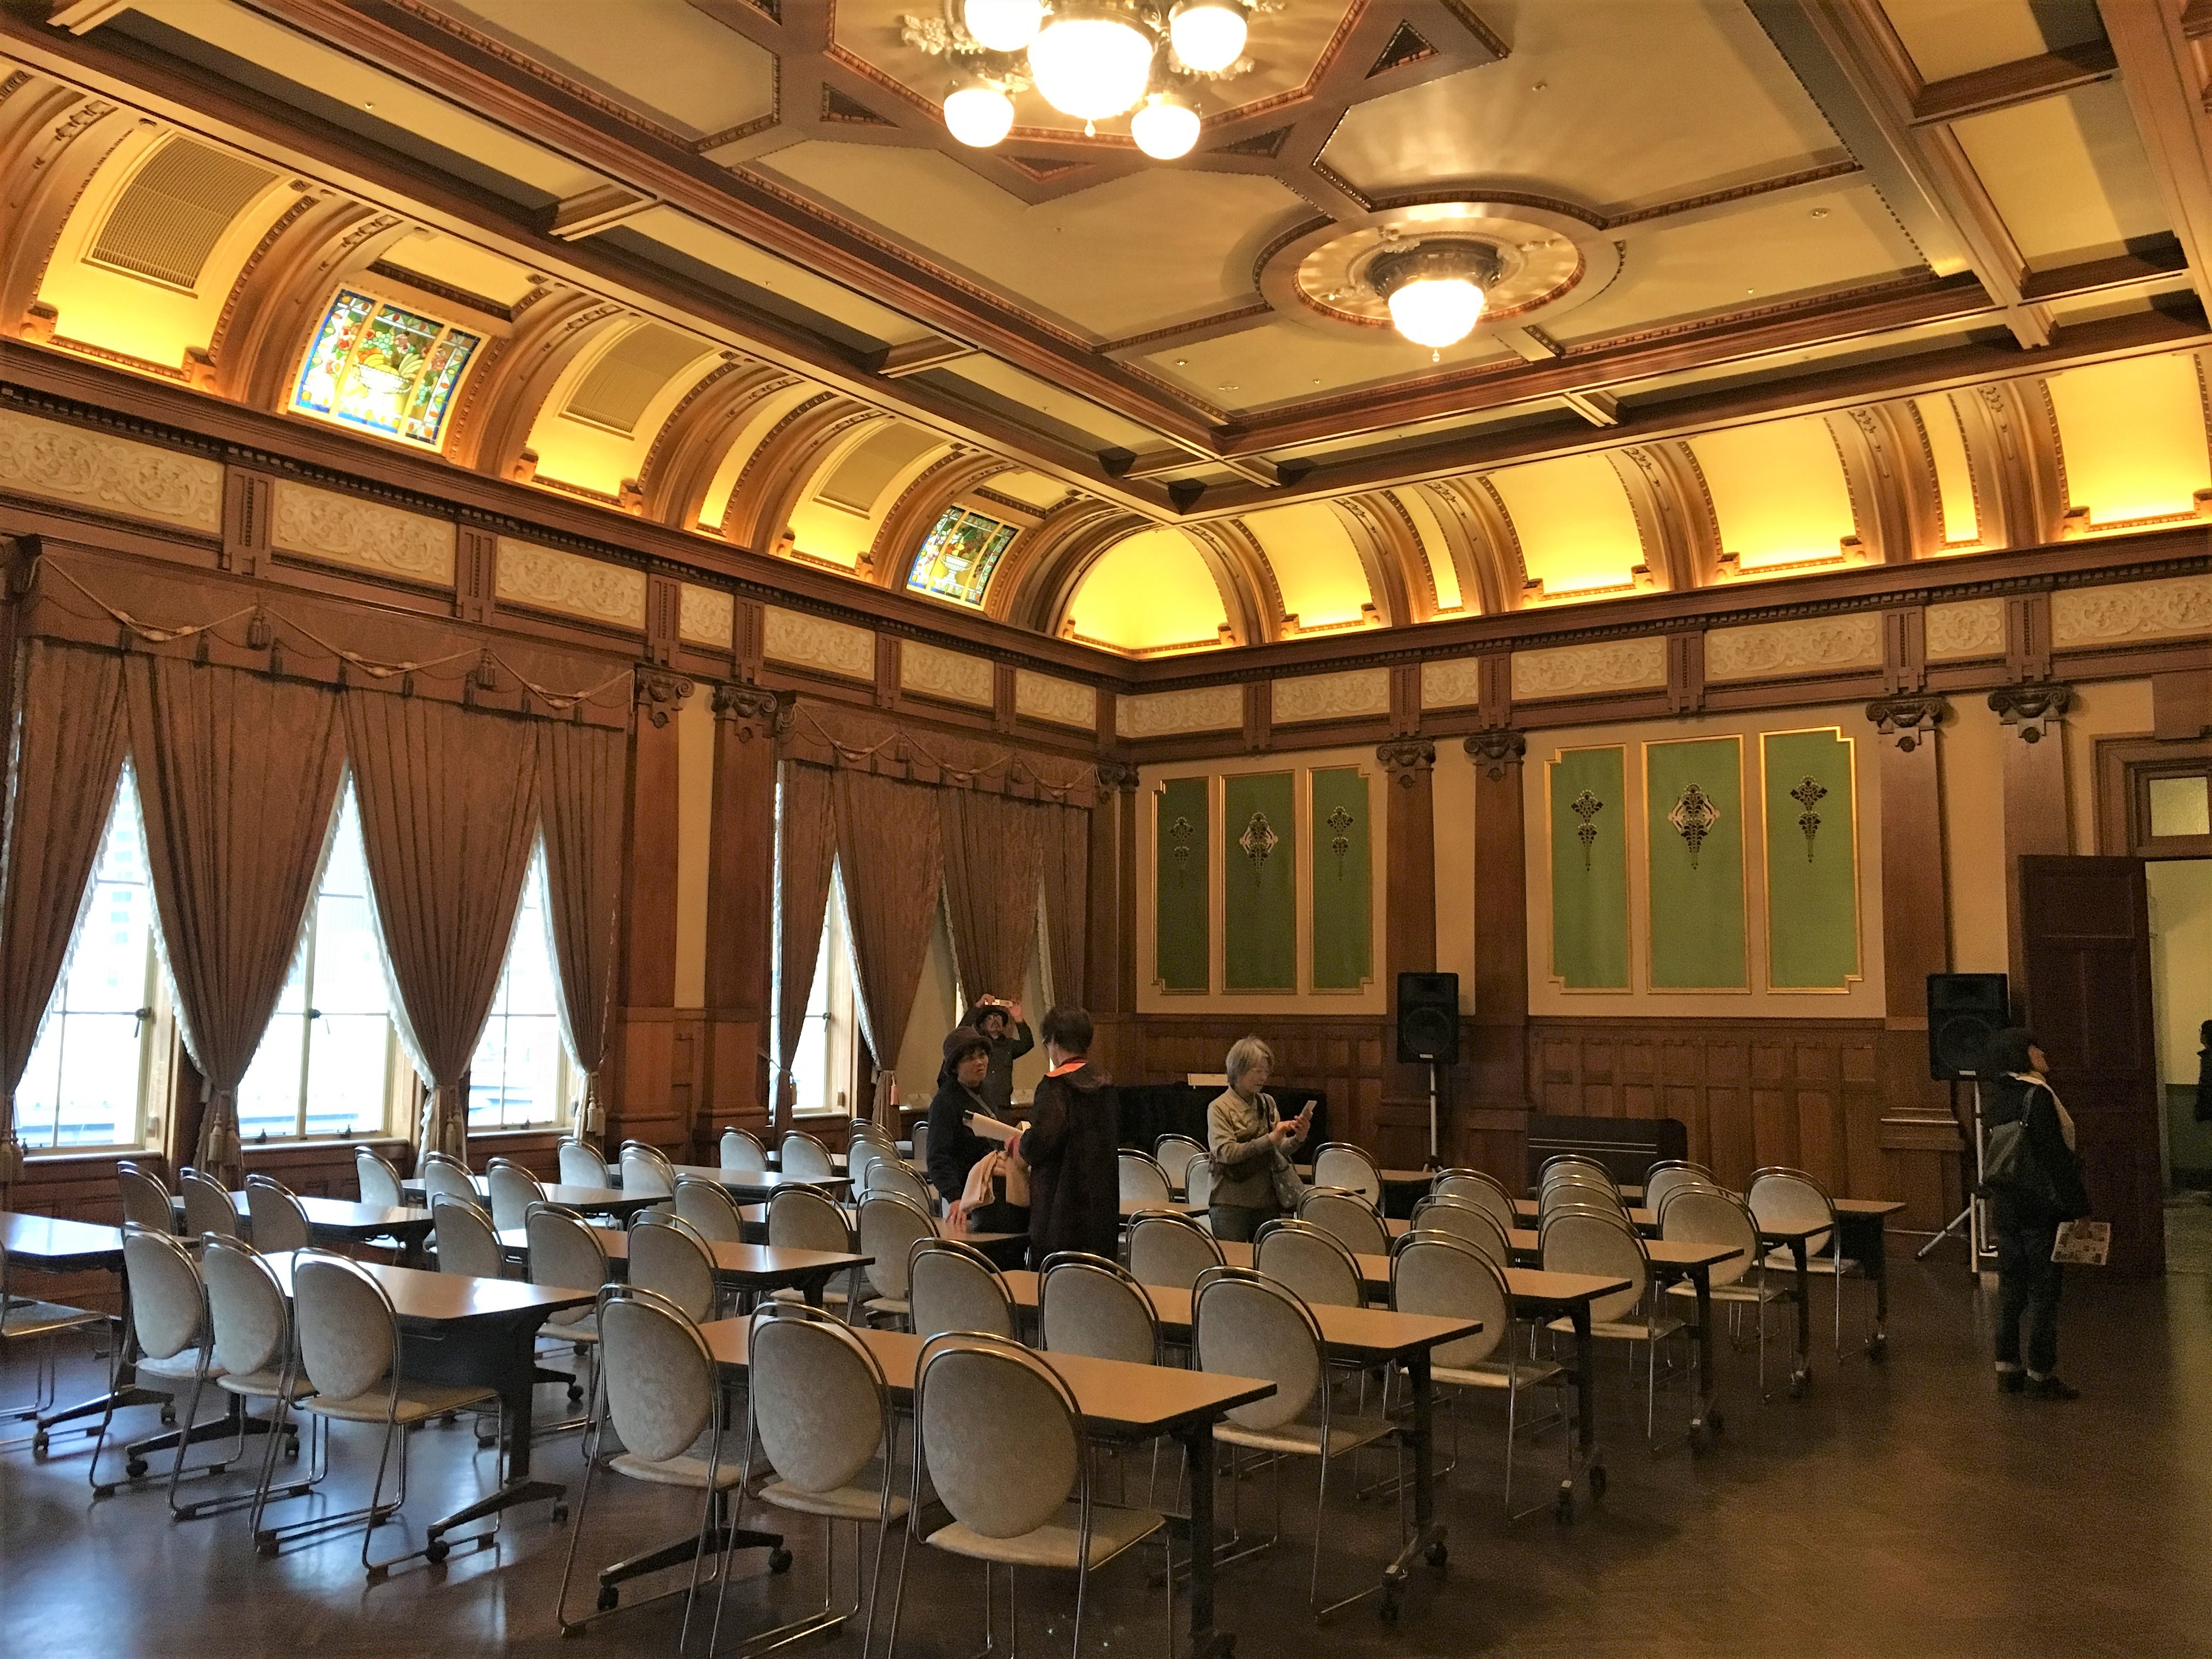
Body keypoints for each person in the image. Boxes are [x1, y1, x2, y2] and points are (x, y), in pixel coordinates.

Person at [1982, 1027, 2091, 1400]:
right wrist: (2080, 1208)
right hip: (2040, 1209)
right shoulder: (2038, 1097)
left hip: (2007, 1206)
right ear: (2021, 1054)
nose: (2042, 1052)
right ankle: (2041, 1374)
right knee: (2045, 1293)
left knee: (2011, 1289)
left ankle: (2006, 1368)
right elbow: (2055, 1159)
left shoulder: (1997, 1096)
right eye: (2034, 1047)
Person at [1008, 1006, 1117, 1267]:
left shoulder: (1055, 1086)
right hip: (1100, 1203)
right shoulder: (1106, 1083)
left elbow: (1040, 1146)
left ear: (1053, 1040)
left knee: (1057, 1282)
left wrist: (1020, 1141)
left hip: (1059, 1206)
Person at [1205, 1036, 1311, 1242]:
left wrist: (1299, 1137)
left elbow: (1276, 1152)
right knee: (1234, 1267)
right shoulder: (1219, 1107)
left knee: (1267, 1264)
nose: (1263, 1077)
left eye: (1266, 1071)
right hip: (1230, 1204)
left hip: (1267, 1203)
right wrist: (1271, 1138)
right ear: (1237, 1069)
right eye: (1257, 1070)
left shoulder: (1267, 1102)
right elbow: (1226, 1153)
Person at [925, 1026, 1028, 1233]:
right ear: (955, 1067)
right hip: (968, 1197)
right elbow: (938, 1157)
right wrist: (954, 1197)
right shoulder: (945, 1101)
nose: (980, 1062)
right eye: (970, 1059)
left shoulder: (986, 1091)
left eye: (982, 1055)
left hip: (994, 1189)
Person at [957, 997, 1034, 1120]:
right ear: (982, 1025)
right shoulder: (977, 1046)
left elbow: (1028, 1043)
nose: (995, 1020)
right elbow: (960, 1032)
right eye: (990, 1018)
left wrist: (1018, 1017)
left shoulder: (1009, 1046)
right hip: (979, 1104)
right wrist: (978, 1007)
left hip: (1003, 1106)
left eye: (998, 1017)